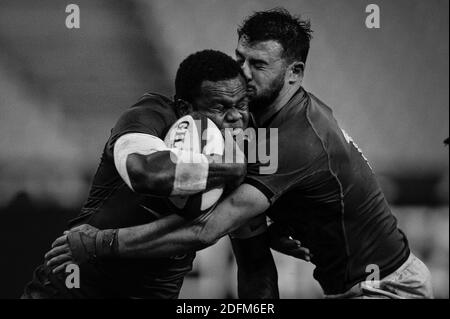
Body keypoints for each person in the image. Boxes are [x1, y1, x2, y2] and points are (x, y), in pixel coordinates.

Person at [46, 8, 434, 299]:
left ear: (295, 73)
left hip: (387, 289)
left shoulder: (293, 138)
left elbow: (204, 230)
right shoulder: (250, 123)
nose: (244, 72)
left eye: (259, 64)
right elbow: (253, 252)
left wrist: (101, 243)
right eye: (241, 58)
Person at [22, 50, 279, 299]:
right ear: (184, 107)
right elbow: (144, 173)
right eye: (220, 107)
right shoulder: (149, 117)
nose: (235, 117)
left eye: (242, 104)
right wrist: (228, 171)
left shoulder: (249, 150)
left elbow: (254, 265)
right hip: (74, 290)